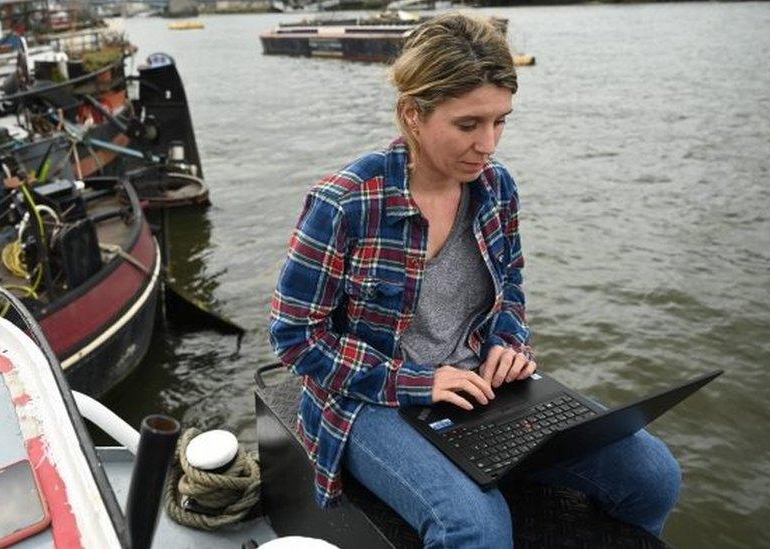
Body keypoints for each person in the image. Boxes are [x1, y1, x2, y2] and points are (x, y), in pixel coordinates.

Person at [269, 12, 682, 548]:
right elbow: (295, 337)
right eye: (469, 125)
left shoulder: (496, 187)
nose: (488, 144)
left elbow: (509, 286)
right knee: (476, 527)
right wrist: (421, 381)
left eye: (501, 121)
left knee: (654, 475)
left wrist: (509, 342)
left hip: (478, 385)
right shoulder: (344, 202)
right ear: (413, 114)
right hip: (367, 398)